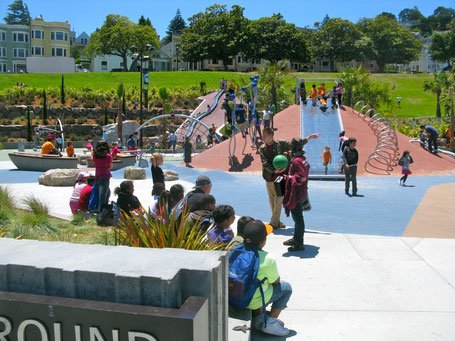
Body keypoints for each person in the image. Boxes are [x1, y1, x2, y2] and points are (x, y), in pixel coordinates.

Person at [258, 127, 319, 229]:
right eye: (263, 136)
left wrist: (308, 138)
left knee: (279, 198)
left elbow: (295, 145)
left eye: (265, 136)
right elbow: (264, 162)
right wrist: (274, 170)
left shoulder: (280, 144)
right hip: (269, 177)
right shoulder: (262, 148)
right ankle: (277, 221)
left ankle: (273, 222)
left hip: (281, 177)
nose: (263, 138)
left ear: (271, 136)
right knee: (272, 199)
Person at [243, 220, 292, 336]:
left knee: (254, 282)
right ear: (263, 242)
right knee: (286, 288)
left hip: (237, 297)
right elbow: (276, 281)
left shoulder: (234, 251)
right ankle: (270, 322)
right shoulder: (267, 259)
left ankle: (258, 316)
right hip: (251, 301)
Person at [282, 139, 310, 251]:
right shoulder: (303, 159)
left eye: (291, 147)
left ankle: (299, 243)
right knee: (297, 218)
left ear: (294, 149)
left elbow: (301, 177)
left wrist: (289, 178)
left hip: (297, 193)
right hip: (302, 192)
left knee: (298, 218)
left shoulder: (297, 161)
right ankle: (296, 238)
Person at [92, 141, 112, 212]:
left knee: (106, 192)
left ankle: (102, 207)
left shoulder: (95, 156)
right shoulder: (108, 156)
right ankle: (101, 210)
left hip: (98, 176)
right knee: (103, 195)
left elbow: (95, 163)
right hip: (105, 176)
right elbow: (110, 166)